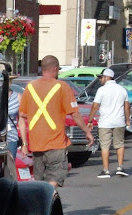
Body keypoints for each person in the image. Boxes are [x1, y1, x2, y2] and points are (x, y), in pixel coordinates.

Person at [19, 55, 94, 188]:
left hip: (36, 143)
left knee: (39, 180)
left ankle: (43, 199)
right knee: (55, 177)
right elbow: (75, 114)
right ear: (55, 68)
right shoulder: (62, 86)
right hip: (55, 142)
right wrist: (87, 131)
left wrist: (24, 143)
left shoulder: (30, 87)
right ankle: (48, 198)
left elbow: (22, 117)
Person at [87, 68, 131, 178]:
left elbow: (95, 106)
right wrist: (127, 120)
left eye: (101, 77)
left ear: (107, 77)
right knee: (119, 144)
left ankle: (106, 170)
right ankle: (120, 167)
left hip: (105, 122)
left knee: (105, 146)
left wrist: (90, 120)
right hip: (119, 121)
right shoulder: (122, 89)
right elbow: (126, 106)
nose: (100, 79)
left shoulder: (101, 90)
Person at [6, 75, 21, 159]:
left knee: (10, 164)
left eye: (8, 81)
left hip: (11, 137)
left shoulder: (17, 97)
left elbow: (21, 120)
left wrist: (24, 143)